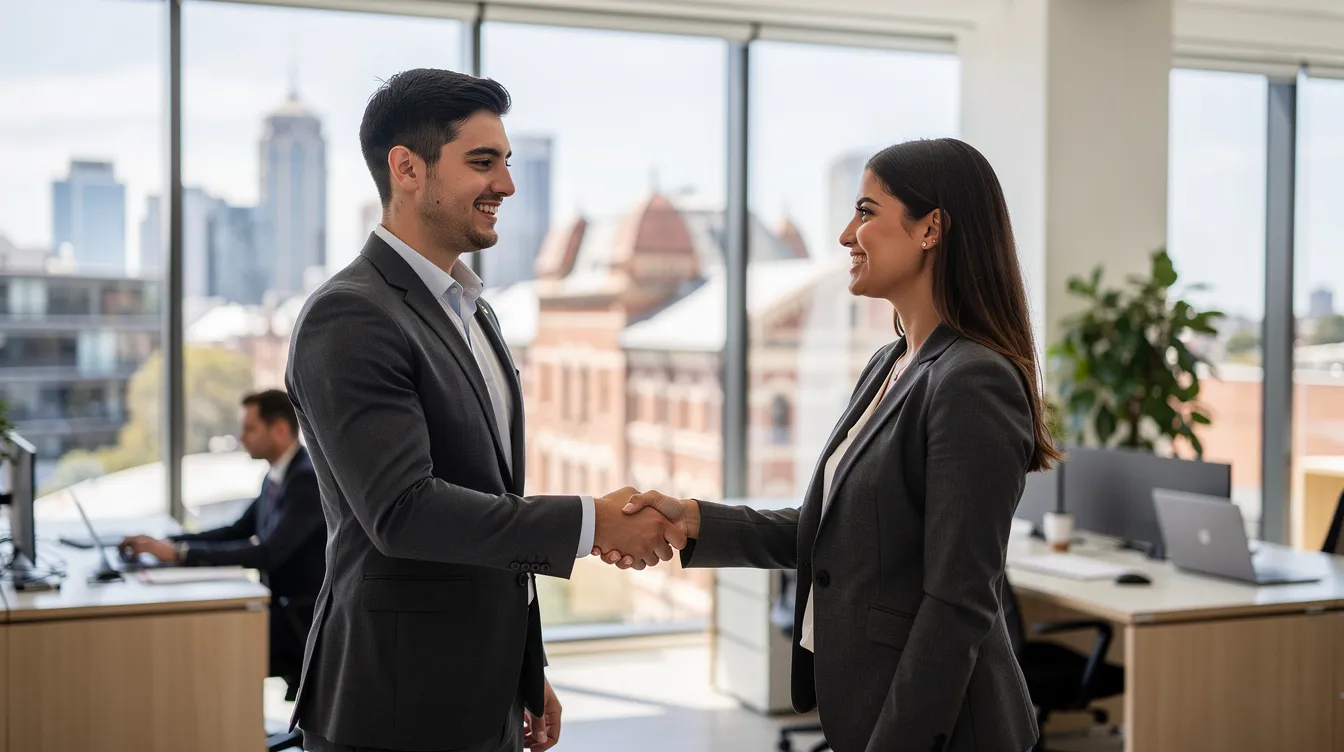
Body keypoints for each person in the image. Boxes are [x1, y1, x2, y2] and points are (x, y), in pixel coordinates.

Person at [602, 138, 1061, 752]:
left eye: (867, 212)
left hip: (944, 729)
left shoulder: (971, 380)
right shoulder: (890, 364)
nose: (847, 235)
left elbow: (959, 602)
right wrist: (693, 521)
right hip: (867, 702)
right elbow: (839, 533)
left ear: (931, 229)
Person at [284, 68, 685, 752]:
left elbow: (491, 501)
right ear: (406, 169)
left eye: (505, 162)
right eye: (482, 162)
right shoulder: (350, 314)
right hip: (394, 702)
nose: (506, 184)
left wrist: (525, 667)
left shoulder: (476, 313)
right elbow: (404, 512)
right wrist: (593, 523)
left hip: (481, 688)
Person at [120, 389, 324, 689]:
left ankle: (230, 733)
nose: (241, 437)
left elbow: (267, 553)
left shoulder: (304, 479)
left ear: (280, 429)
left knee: (205, 643)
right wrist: (168, 543)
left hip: (297, 621)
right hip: (277, 609)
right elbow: (236, 530)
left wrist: (180, 554)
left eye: (249, 428)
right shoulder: (277, 475)